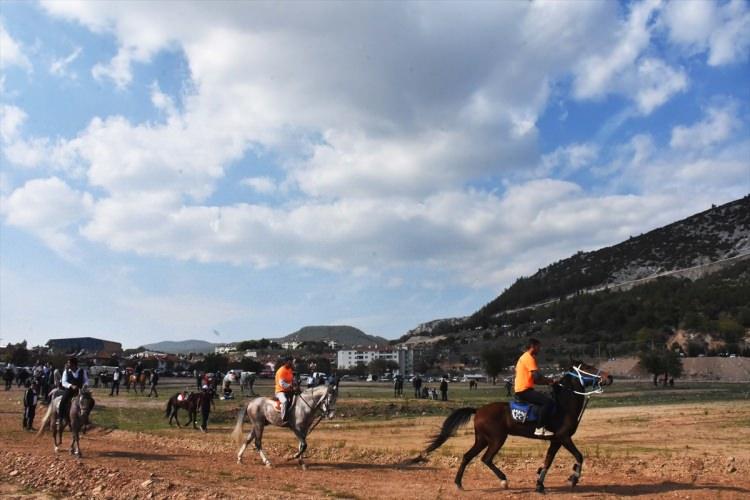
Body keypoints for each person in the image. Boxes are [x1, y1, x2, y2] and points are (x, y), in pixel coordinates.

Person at [514, 338, 556, 437]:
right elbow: (537, 376)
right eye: (538, 347)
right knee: (548, 402)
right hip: (524, 390)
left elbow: (536, 380)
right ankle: (539, 428)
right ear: (533, 346)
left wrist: (547, 383)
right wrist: (550, 381)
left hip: (523, 389)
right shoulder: (529, 358)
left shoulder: (524, 357)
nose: (539, 349)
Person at [59, 357, 89, 428]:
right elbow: (63, 382)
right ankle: (61, 418)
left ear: (73, 364)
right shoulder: (66, 371)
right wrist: (71, 385)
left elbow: (86, 380)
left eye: (69, 363)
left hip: (80, 391)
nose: (67, 364)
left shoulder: (82, 371)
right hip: (70, 390)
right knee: (63, 401)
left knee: (91, 401)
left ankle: (86, 418)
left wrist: (85, 385)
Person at [274, 357, 295, 423]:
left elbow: (291, 380)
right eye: (290, 362)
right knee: (285, 401)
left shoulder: (290, 370)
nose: (291, 363)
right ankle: (283, 418)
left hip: (289, 390)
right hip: (280, 391)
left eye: (291, 362)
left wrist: (294, 384)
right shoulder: (281, 371)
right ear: (286, 362)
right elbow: (282, 384)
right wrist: (291, 386)